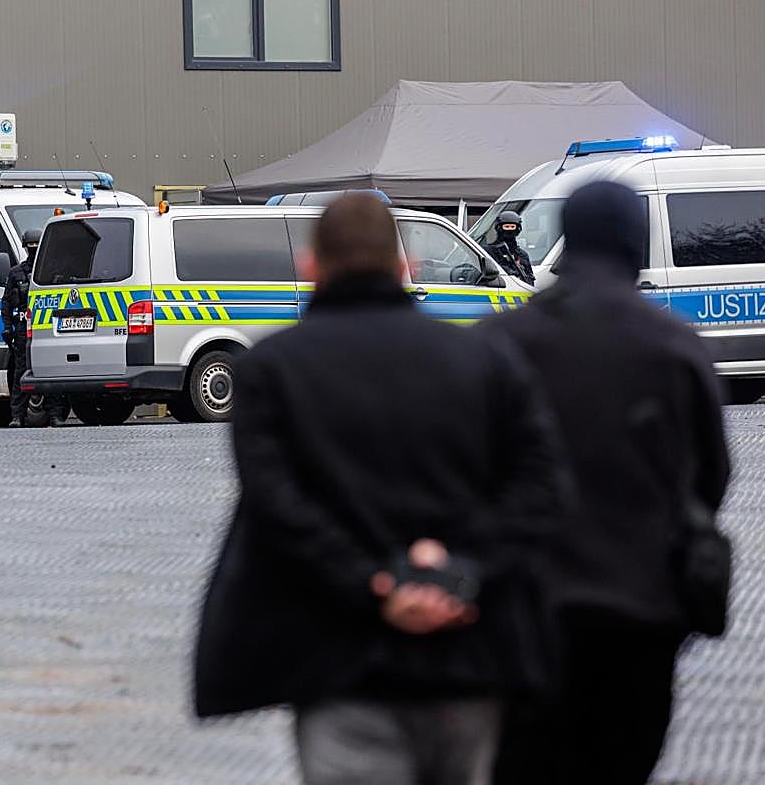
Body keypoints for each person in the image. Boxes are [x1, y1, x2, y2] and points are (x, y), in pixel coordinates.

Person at [194, 194, 567, 785]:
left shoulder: (273, 371)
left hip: (341, 658)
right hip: (468, 656)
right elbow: (540, 490)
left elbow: (279, 508)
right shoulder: (486, 360)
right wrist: (460, 570)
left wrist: (378, 582)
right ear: (405, 268)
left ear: (311, 266)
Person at [485, 181, 731, 785]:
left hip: (526, 615)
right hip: (640, 615)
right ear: (635, 239)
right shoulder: (676, 345)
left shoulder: (501, 342)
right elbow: (713, 475)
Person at [1, 226, 67, 427]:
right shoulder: (16, 273)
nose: (33, 250)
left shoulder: (53, 272)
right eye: (30, 247)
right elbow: (6, 302)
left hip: (45, 329)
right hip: (22, 329)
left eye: (36, 247)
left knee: (49, 371)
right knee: (20, 373)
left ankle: (56, 415)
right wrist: (7, 327)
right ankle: (17, 416)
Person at [485, 211, 536, 286]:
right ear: (499, 228)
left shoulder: (522, 255)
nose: (509, 229)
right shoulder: (488, 251)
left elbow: (530, 279)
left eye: (512, 227)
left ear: (517, 229)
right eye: (507, 226)